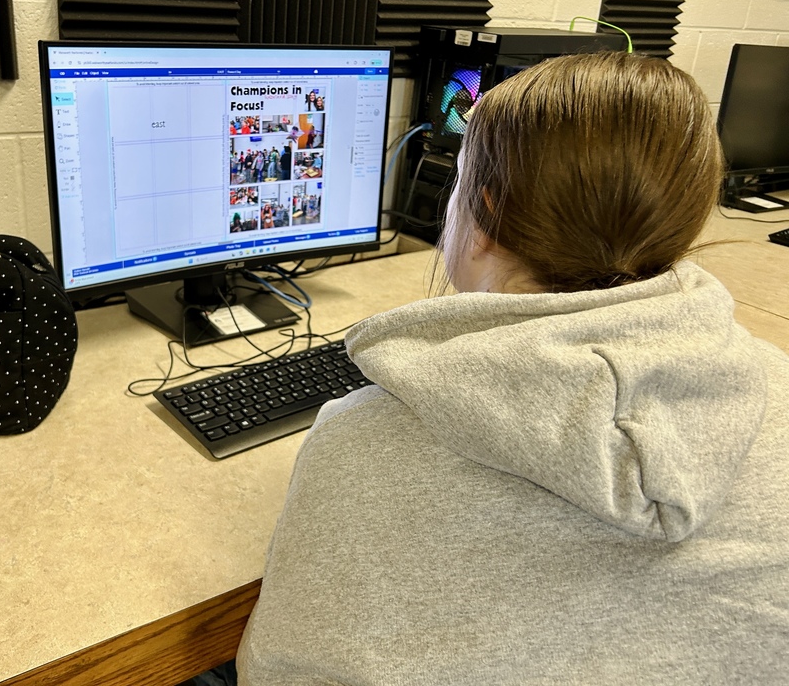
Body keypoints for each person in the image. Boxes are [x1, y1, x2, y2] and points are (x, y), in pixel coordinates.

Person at [228, 51, 789, 683]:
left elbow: (279, 673)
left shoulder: (361, 440)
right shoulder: (778, 387)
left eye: (458, 181)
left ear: (485, 214)